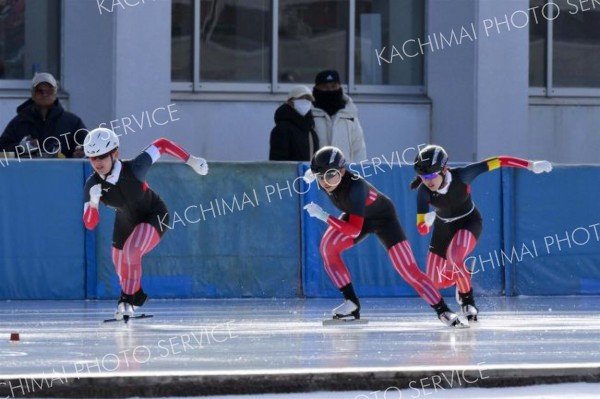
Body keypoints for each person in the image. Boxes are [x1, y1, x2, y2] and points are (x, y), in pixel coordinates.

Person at [303, 146, 466, 327]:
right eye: (320, 176)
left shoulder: (356, 188)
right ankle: (351, 303)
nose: (325, 181)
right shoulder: (325, 176)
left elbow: (354, 230)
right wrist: (313, 174)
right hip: (358, 215)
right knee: (327, 248)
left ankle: (443, 310)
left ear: (343, 171)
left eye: (330, 175)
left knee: (409, 271)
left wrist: (324, 216)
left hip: (383, 219)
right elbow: (320, 172)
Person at [410, 145, 552, 321]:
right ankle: (464, 275)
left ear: (444, 169)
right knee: (435, 282)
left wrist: (530, 165)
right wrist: (428, 221)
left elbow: (499, 161)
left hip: (468, 223)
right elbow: (421, 230)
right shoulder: (423, 193)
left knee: (455, 258)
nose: (428, 181)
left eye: (431, 175)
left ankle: (468, 301)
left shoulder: (463, 175)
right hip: (442, 230)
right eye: (423, 177)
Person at [82, 127, 208, 320]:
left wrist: (191, 160)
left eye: (101, 156)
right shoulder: (92, 185)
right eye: (92, 158)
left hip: (154, 214)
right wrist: (92, 203)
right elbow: (89, 225)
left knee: (132, 251)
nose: (97, 163)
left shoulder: (135, 167)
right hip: (125, 221)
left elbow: (163, 144)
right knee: (119, 264)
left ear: (115, 152)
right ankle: (133, 298)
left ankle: (128, 298)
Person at [0, 72, 87, 158]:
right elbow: (2, 148)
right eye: (40, 91)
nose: (44, 94)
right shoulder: (19, 122)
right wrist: (23, 147)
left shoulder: (72, 122)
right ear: (33, 94)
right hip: (27, 171)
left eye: (49, 91)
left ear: (55, 93)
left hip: (61, 171)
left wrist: (77, 155)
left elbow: (88, 147)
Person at [311, 70, 366, 164]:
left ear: (339, 87)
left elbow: (359, 149)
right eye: (325, 87)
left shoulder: (350, 115)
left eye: (333, 86)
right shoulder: (309, 115)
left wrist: (358, 172)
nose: (330, 90)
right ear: (317, 88)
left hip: (345, 173)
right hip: (316, 173)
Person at [269, 85, 319, 161]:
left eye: (308, 99)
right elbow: (277, 162)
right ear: (290, 102)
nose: (305, 101)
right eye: (301, 98)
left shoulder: (311, 132)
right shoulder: (282, 129)